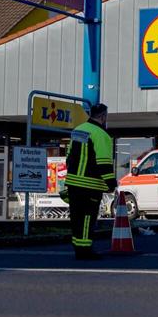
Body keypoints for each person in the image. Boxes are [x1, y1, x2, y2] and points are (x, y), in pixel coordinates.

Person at [62, 103, 116, 260]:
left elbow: (69, 157)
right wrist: (111, 184)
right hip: (90, 184)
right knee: (87, 218)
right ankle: (85, 249)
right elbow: (103, 163)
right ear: (103, 116)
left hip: (73, 183)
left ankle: (78, 247)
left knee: (76, 218)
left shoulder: (78, 130)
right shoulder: (101, 135)